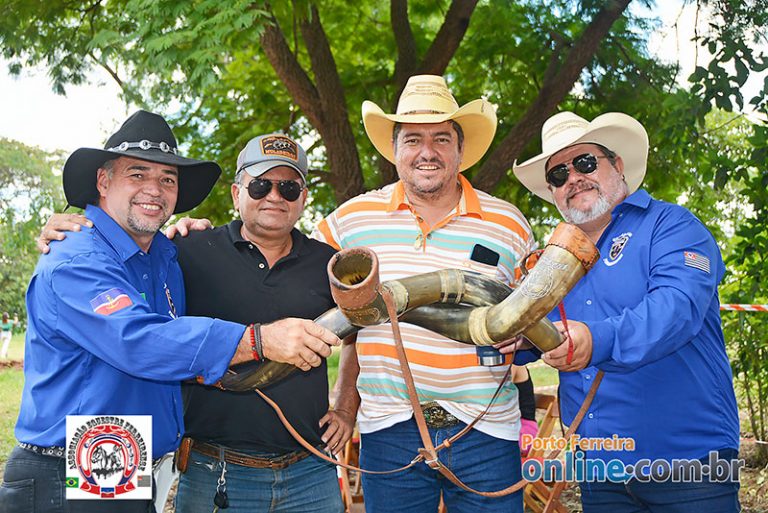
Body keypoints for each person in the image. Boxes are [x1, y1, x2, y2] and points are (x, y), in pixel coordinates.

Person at [2, 111, 340, 513]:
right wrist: (259, 340)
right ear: (103, 181)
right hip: (68, 468)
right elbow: (138, 340)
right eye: (137, 174)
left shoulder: (163, 254)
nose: (154, 189)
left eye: (167, 179)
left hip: (115, 455)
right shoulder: (77, 256)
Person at [312, 74, 538, 513]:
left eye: (441, 139)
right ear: (394, 149)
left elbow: (534, 316)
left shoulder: (509, 223)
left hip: (488, 431)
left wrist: (524, 335)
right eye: (413, 139)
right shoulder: (351, 219)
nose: (427, 152)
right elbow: (290, 270)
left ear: (460, 150)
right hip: (389, 429)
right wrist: (202, 236)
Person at [512, 111, 741, 512]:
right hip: (601, 471)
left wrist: (596, 339)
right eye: (558, 174)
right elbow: (540, 328)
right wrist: (517, 341)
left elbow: (676, 308)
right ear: (553, 191)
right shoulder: (550, 261)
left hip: (689, 465)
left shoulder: (673, 225)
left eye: (585, 163)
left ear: (617, 164)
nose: (573, 178)